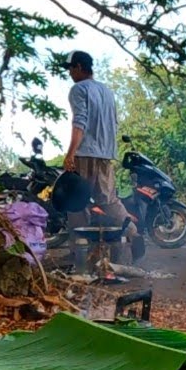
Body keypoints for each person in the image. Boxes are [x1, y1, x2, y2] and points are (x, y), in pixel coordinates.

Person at [61, 50, 126, 277]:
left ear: (79, 67)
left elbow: (79, 122)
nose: (69, 73)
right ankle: (133, 235)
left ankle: (79, 255)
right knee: (108, 201)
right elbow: (114, 123)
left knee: (76, 203)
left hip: (86, 152)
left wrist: (71, 153)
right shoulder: (106, 91)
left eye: (70, 68)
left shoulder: (78, 90)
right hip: (106, 154)